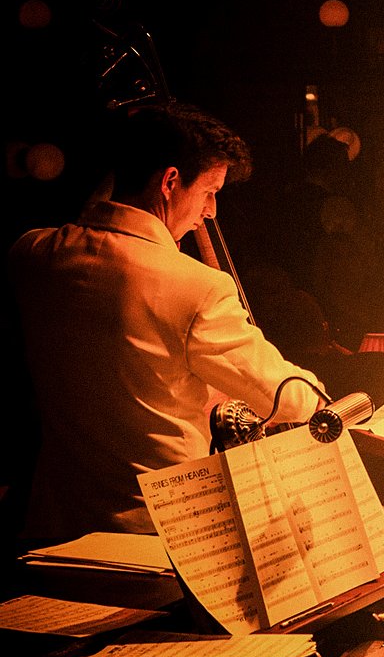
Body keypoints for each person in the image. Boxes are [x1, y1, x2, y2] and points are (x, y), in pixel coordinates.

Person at [7, 101, 325, 540]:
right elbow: (282, 398)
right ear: (171, 181)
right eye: (210, 190)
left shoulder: (33, 254)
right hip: (163, 535)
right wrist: (321, 399)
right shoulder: (198, 288)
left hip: (56, 528)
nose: (211, 211)